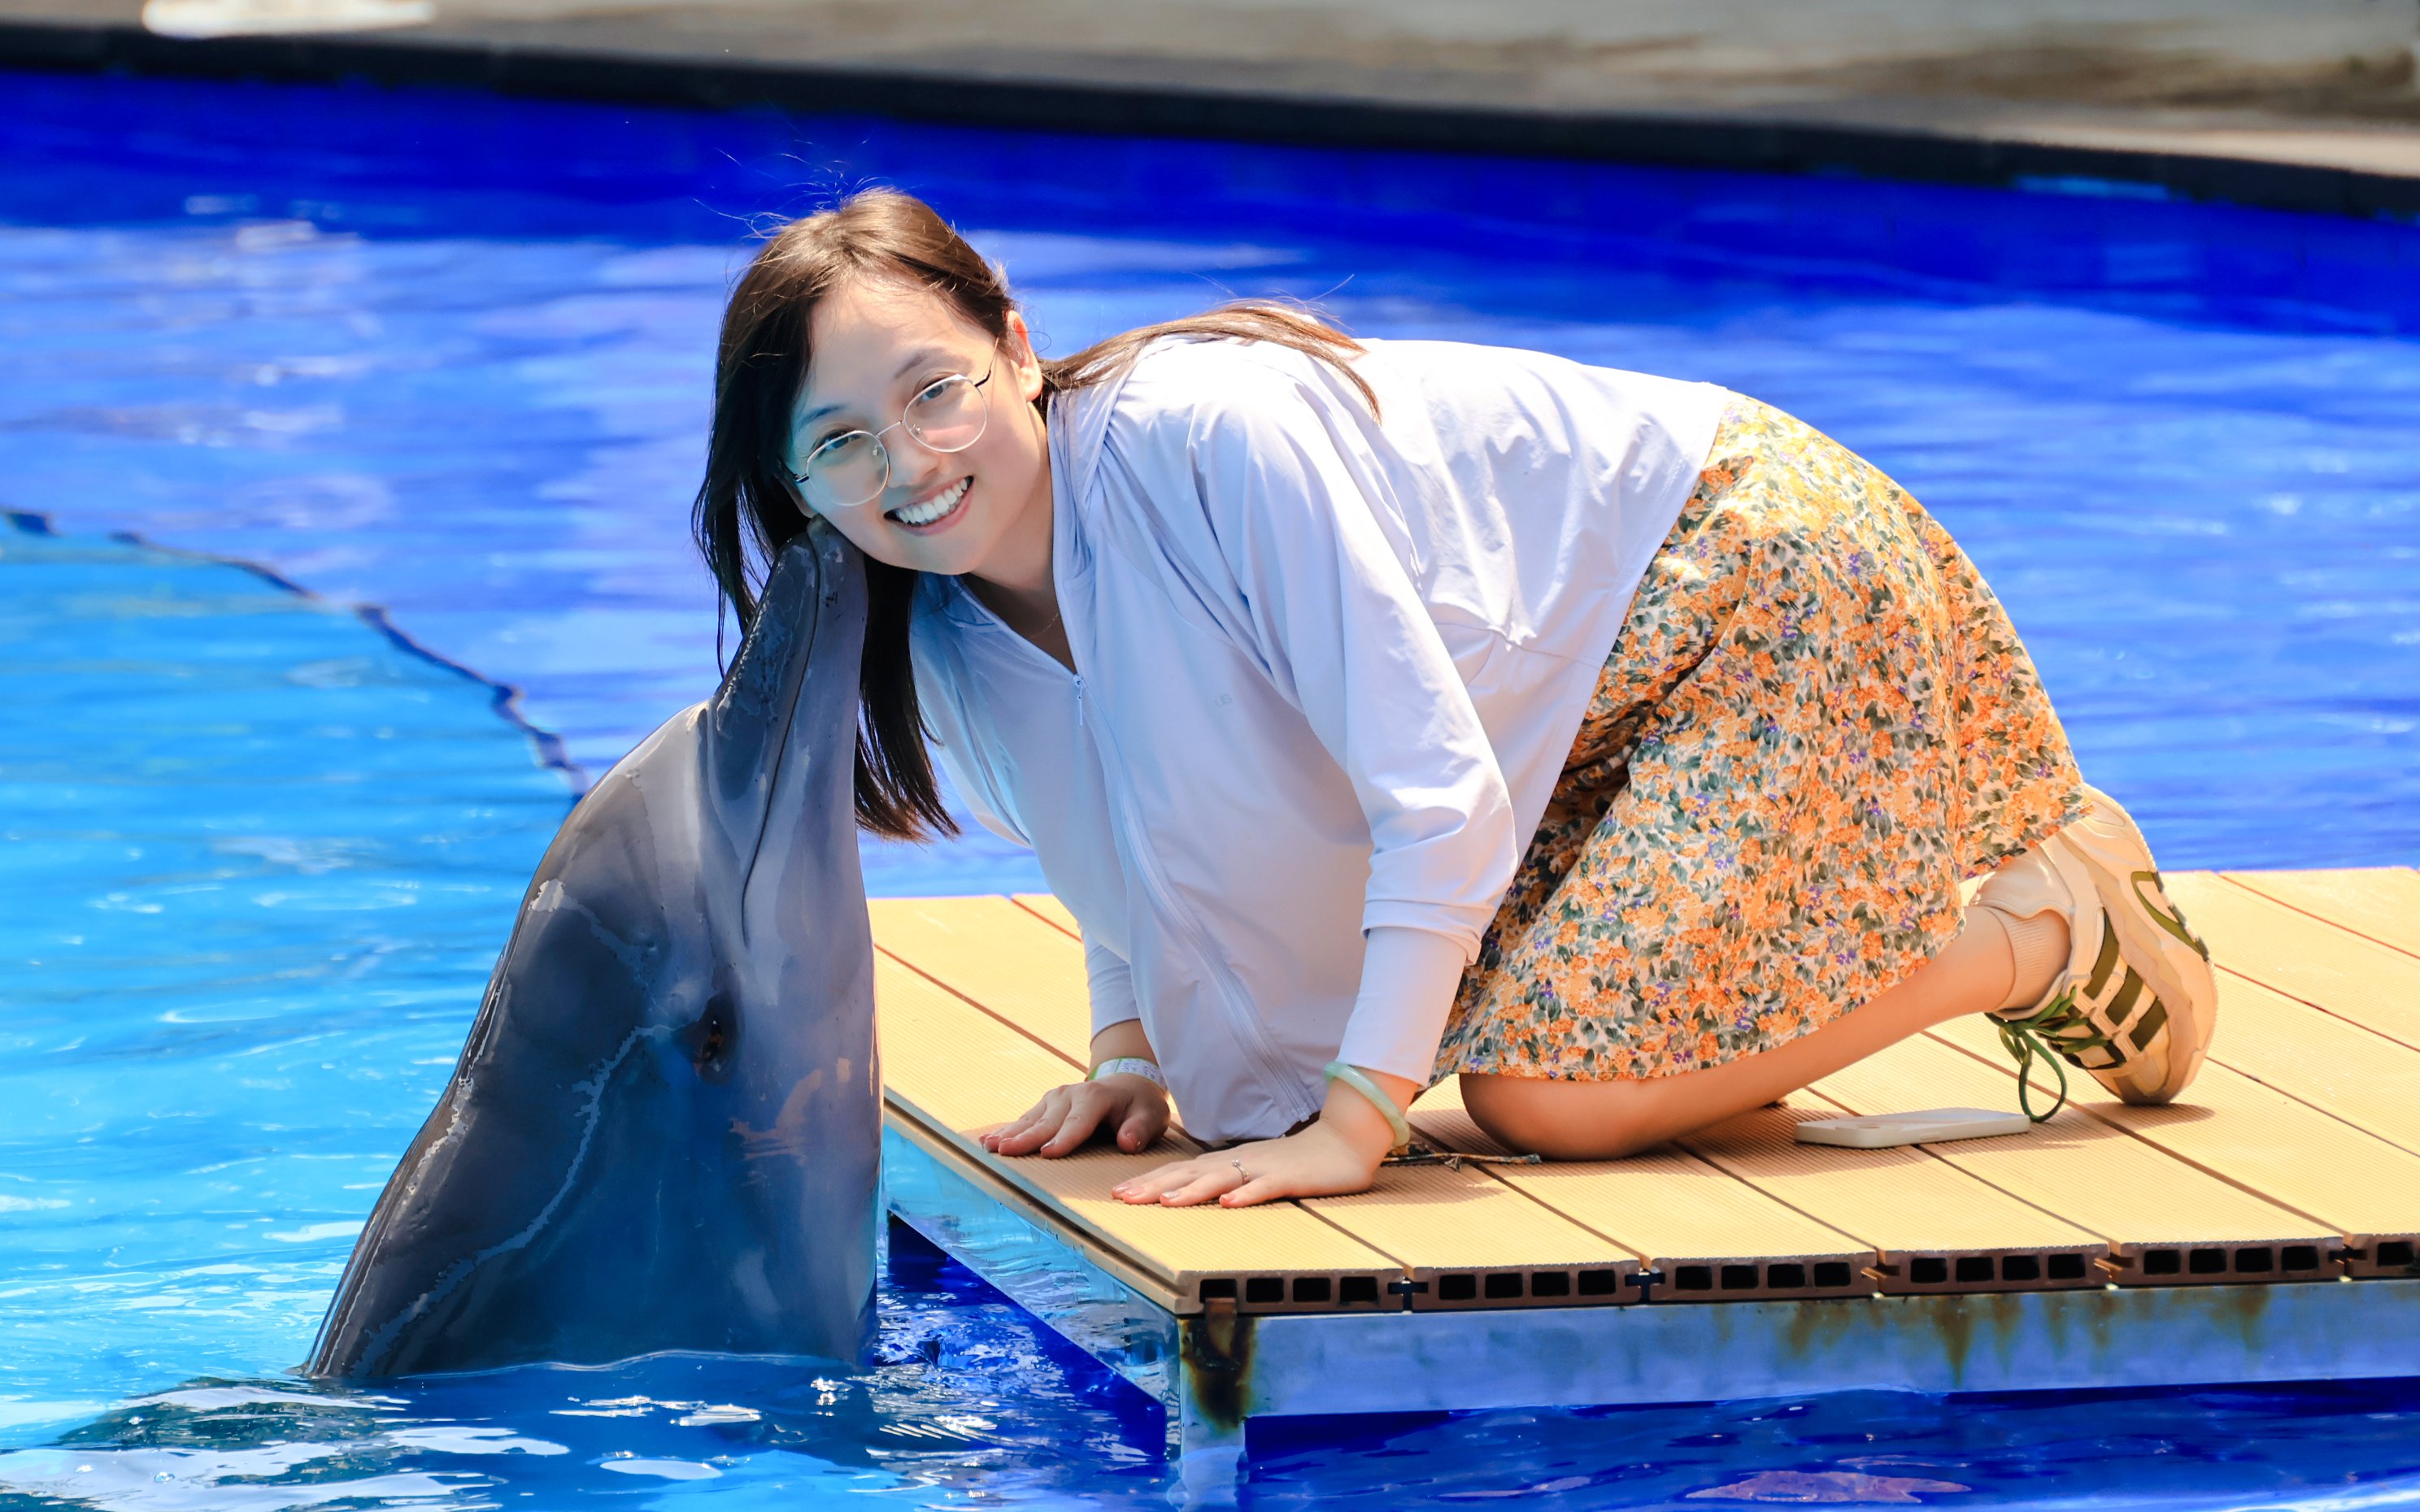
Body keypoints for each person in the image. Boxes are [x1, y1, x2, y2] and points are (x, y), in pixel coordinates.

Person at [693, 188, 2219, 1210]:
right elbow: (1126, 826)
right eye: (839, 442)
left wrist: (1360, 1125)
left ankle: (2046, 923)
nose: (909, 463)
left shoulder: (1203, 442)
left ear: (1017, 347)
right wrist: (1132, 1054)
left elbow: (1435, 799)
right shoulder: (939, 620)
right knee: (1534, 1059)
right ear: (795, 485)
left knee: (1544, 1096)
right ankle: (1726, 1038)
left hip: (1745, 577)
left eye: (935, 389)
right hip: (1571, 693)